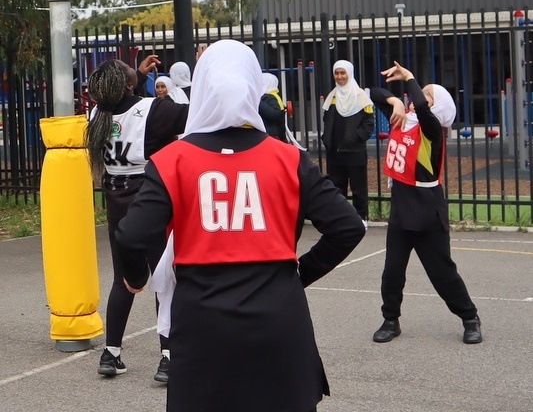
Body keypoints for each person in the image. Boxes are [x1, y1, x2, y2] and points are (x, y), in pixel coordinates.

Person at [115, 39, 366, 412]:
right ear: (253, 85)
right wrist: (299, 273)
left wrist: (136, 278)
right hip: (279, 317)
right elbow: (348, 226)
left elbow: (131, 237)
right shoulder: (289, 159)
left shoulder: (172, 161)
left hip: (203, 323)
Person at [85, 55, 188, 382]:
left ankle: (111, 352)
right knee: (164, 278)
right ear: (129, 84)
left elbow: (123, 104)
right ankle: (169, 356)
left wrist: (137, 77)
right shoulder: (154, 110)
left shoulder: (96, 115)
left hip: (116, 199)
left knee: (123, 279)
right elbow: (193, 114)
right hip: (149, 197)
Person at [369, 61, 482, 345]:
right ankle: (390, 320)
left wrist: (409, 77)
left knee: (442, 273)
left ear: (437, 107)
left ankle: (470, 318)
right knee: (392, 271)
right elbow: (373, 92)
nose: (418, 96)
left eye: (427, 94)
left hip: (427, 211)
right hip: (401, 209)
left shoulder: (432, 130)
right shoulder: (402, 119)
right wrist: (394, 99)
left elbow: (421, 106)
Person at [321, 60, 374, 225]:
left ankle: (361, 218)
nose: (339, 77)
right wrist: (327, 139)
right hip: (335, 153)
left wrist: (355, 137)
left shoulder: (360, 96)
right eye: (336, 73)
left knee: (358, 188)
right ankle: (341, 219)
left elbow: (368, 123)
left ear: (349, 73)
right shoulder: (332, 96)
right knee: (337, 188)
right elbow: (326, 119)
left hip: (354, 151)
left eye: (343, 73)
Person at [258, 72, 287, 141]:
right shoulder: (272, 96)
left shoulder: (271, 97)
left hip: (273, 135)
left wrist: (259, 102)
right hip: (273, 135)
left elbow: (274, 114)